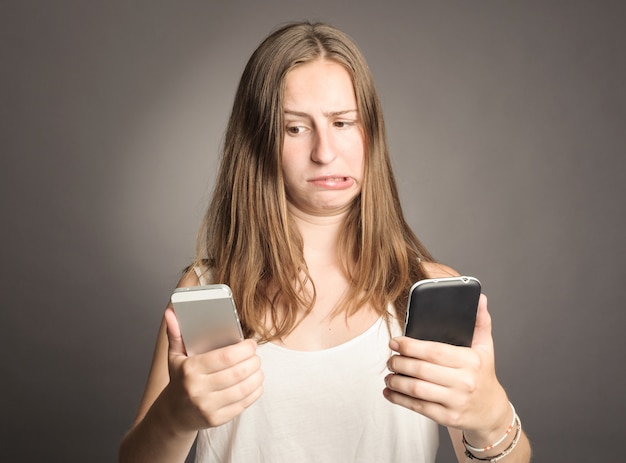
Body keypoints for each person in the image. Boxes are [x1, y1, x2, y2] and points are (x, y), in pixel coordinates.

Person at [119, 21, 531, 463]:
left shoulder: (425, 290)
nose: (325, 151)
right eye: (295, 128)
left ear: (369, 132)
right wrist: (175, 418)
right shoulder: (208, 289)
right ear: (258, 141)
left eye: (343, 122)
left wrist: (488, 415)